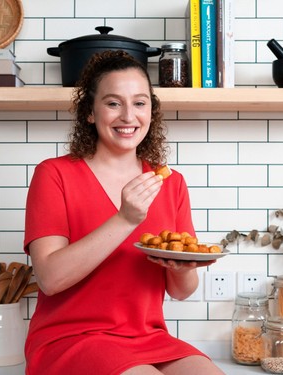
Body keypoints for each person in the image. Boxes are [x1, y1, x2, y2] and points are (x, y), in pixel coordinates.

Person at [24, 50, 225, 375]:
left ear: (152, 111)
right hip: (72, 338)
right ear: (90, 112)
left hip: (147, 337)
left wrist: (182, 266)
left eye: (140, 102)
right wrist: (125, 219)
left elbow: (181, 290)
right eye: (113, 103)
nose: (128, 116)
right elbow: (50, 279)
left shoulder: (170, 183)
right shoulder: (54, 175)